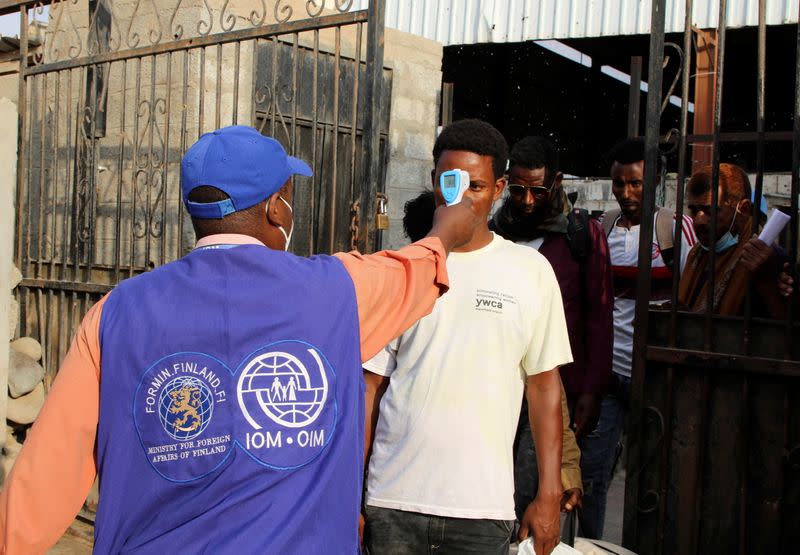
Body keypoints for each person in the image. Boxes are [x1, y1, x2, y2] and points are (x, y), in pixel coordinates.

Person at [0, 125, 483, 553]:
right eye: (289, 196)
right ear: (277, 208)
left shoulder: (115, 314)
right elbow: (417, 269)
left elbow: (43, 480)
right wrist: (444, 231)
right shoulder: (339, 292)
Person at [362, 119, 572, 555]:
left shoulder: (530, 273)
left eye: (475, 186)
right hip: (392, 501)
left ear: (498, 189)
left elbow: (544, 386)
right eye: (449, 183)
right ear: (434, 182)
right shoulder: (400, 270)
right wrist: (351, 492)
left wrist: (549, 492)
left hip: (482, 510)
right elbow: (370, 387)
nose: (459, 198)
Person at [490, 136, 614, 526]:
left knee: (557, 486)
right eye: (519, 190)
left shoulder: (580, 235)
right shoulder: (495, 230)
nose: (527, 201)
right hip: (504, 386)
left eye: (539, 191)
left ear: (557, 182)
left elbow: (599, 315)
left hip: (565, 385)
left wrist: (591, 391)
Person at [588, 138, 697, 539]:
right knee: (593, 473)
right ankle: (592, 544)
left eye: (636, 183)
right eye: (620, 183)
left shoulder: (673, 227)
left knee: (656, 477)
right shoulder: (603, 228)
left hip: (656, 376)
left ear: (653, 182)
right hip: (610, 375)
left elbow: (696, 294)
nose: (627, 192)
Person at [679, 163, 787, 318]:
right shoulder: (696, 256)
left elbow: (786, 329)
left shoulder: (768, 258)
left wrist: (766, 280)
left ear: (743, 209)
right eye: (694, 210)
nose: (698, 221)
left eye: (711, 211)